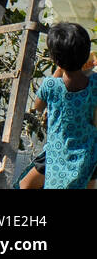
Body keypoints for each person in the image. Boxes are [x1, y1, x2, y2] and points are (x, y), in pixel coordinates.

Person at [28, 23, 97, 189]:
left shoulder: (51, 85)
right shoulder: (94, 83)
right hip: (89, 152)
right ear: (87, 53)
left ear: (55, 59)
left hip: (58, 152)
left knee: (25, 185)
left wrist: (58, 70)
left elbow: (36, 107)